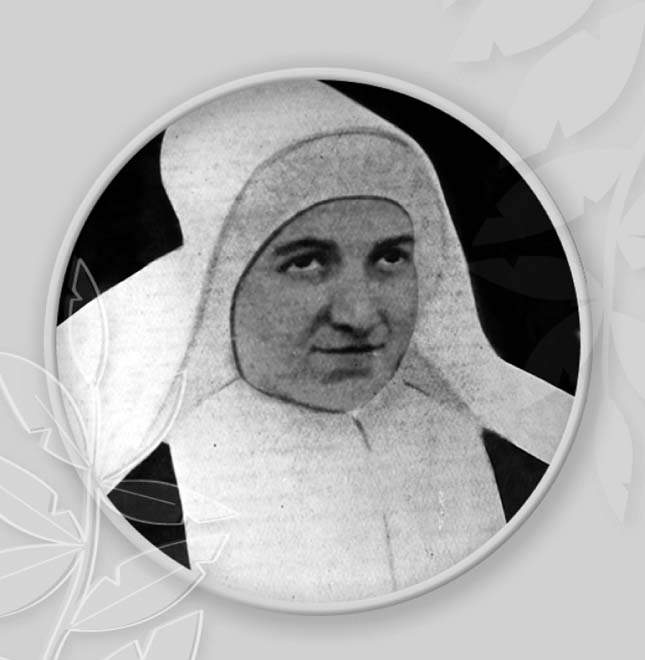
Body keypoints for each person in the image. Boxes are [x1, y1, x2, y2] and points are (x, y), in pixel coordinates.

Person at [57, 79, 574, 603]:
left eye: (391, 257)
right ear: (219, 288)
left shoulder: (525, 466)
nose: (359, 315)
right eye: (306, 262)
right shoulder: (134, 502)